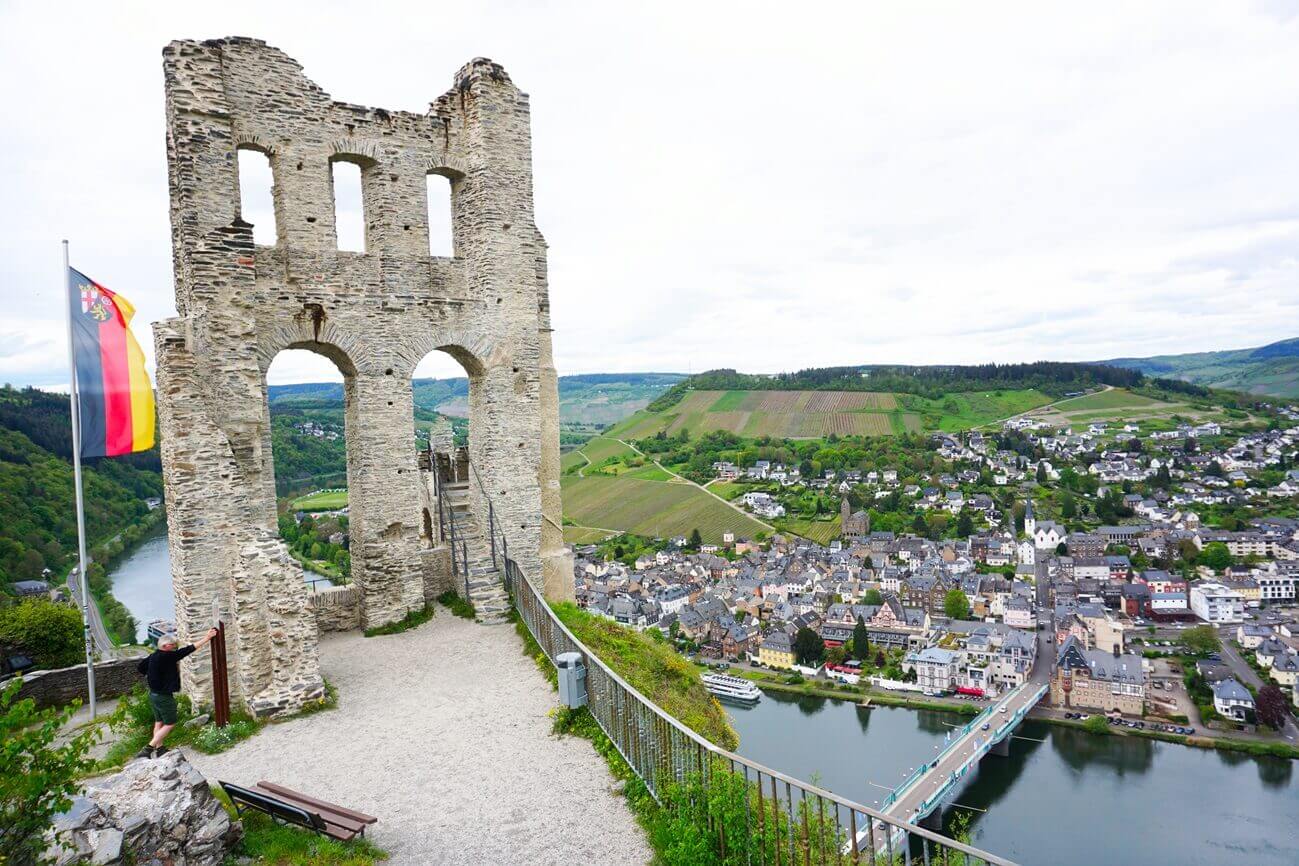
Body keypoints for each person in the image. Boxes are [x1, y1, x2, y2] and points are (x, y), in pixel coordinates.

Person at [134, 626, 219, 758]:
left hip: (153, 695)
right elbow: (187, 650)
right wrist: (207, 638)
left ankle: (160, 748)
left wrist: (155, 675)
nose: (174, 648)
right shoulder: (167, 656)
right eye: (173, 646)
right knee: (170, 723)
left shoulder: (153, 656)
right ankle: (148, 748)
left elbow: (140, 668)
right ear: (166, 645)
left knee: (159, 722)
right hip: (163, 697)